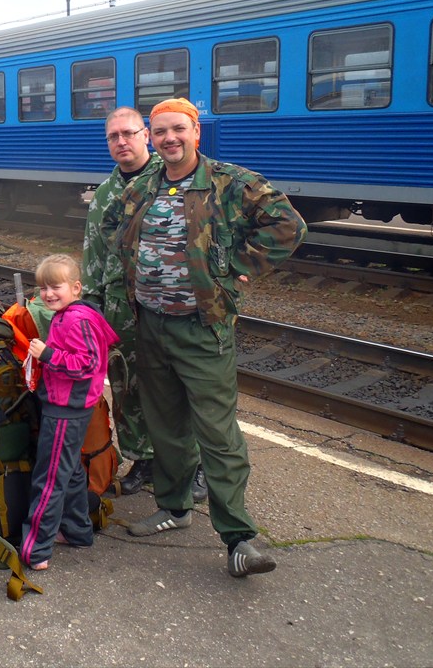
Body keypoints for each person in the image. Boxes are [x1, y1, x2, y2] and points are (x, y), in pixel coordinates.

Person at [111, 97, 306, 577]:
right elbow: (123, 238)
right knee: (166, 427)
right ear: (152, 138)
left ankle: (239, 537)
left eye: (178, 129)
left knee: (217, 433)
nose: (169, 139)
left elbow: (289, 226)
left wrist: (237, 265)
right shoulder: (144, 186)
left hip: (202, 329)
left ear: (196, 132)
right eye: (160, 132)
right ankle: (175, 508)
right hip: (151, 324)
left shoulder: (231, 182)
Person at [82, 107, 207, 502]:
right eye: (113, 137)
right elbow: (94, 254)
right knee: (127, 385)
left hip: (172, 307)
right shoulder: (105, 194)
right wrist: (89, 305)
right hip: (121, 306)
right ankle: (143, 459)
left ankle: (198, 464)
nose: (122, 142)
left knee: (181, 387)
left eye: (129, 134)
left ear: (146, 136)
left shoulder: (171, 177)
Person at [19, 254, 118, 571]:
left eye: (55, 287)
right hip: (69, 405)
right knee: (70, 469)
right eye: (43, 287)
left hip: (66, 408)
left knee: (49, 478)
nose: (48, 294)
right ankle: (78, 531)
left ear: (76, 287)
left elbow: (87, 364)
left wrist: (47, 354)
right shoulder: (71, 314)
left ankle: (35, 550)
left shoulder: (75, 320)